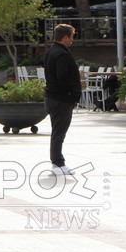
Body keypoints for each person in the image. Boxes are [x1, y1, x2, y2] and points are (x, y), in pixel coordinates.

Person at [44, 24, 81, 175]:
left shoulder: (51, 52)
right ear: (65, 37)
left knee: (57, 130)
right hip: (60, 99)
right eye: (71, 37)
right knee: (59, 131)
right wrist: (71, 94)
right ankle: (58, 162)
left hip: (53, 97)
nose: (72, 40)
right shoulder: (62, 54)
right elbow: (62, 76)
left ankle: (57, 161)